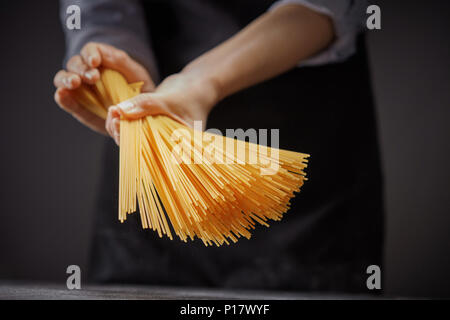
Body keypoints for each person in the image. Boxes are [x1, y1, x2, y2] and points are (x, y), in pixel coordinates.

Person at [54, 0, 383, 293]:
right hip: (152, 169)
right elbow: (103, 9)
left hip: (306, 180)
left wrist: (199, 83)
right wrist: (111, 61)